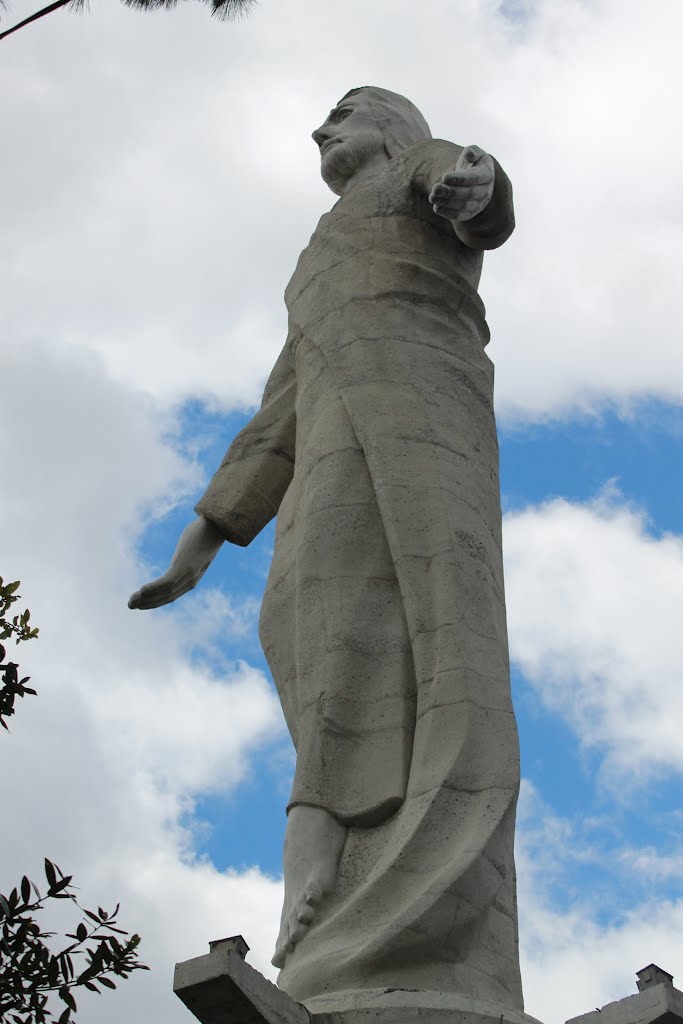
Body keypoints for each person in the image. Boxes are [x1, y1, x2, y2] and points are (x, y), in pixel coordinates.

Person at [130, 87, 523, 1015]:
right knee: (309, 633)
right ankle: (325, 840)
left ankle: (382, 879)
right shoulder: (317, 254)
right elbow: (282, 402)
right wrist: (209, 530)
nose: (320, 129)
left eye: (342, 114)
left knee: (420, 642)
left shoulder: (418, 169)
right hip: (328, 460)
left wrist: (482, 185)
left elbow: (473, 186)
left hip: (420, 432)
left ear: (391, 128)